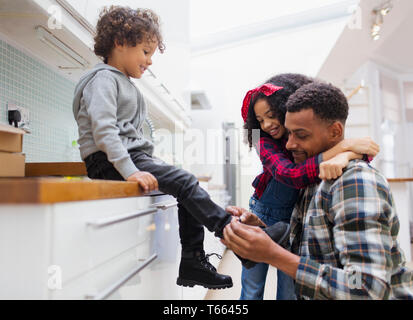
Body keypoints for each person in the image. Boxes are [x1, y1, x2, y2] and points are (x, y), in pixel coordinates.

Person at [72, 6, 235, 289]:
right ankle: (229, 230)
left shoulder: (123, 83)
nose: (150, 61)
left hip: (125, 158)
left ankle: (192, 262)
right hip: (109, 161)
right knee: (185, 181)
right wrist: (130, 169)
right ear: (120, 43)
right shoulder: (103, 80)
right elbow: (104, 130)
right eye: (146, 52)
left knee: (185, 184)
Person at [223, 81, 413, 299]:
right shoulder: (314, 178)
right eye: (289, 133)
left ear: (335, 132)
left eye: (300, 135)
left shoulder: (355, 183)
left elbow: (365, 286)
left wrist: (275, 255)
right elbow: (312, 247)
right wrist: (263, 229)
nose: (288, 145)